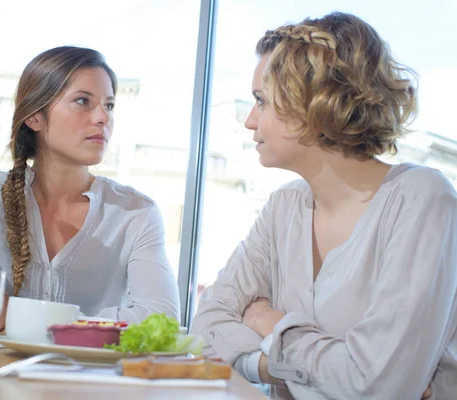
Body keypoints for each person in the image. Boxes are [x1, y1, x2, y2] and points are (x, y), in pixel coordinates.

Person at [190, 11, 457, 400]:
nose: (250, 121)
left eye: (261, 102)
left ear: (315, 103)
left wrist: (269, 322)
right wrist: (304, 369)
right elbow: (205, 328)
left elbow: (378, 387)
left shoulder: (422, 198)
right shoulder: (284, 207)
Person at [0, 46, 180, 325]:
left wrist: (19, 317)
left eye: (108, 105)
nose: (103, 118)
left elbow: (161, 318)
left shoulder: (135, 213)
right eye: (84, 101)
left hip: (91, 370)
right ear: (34, 116)